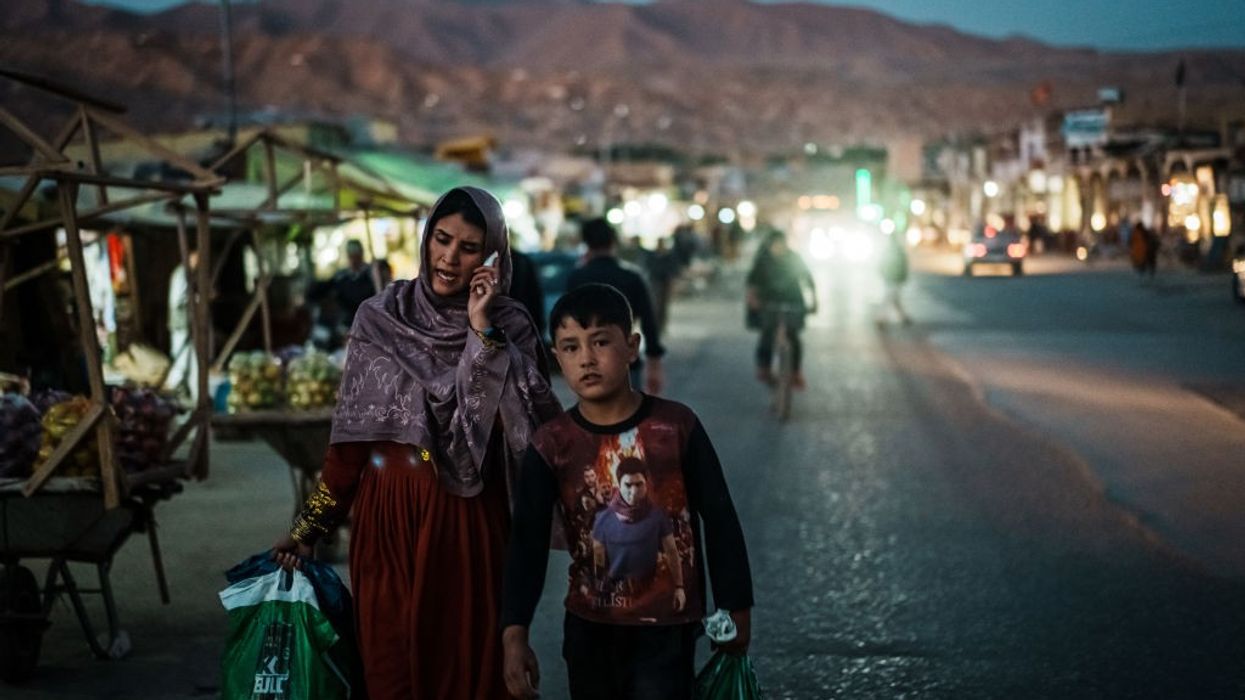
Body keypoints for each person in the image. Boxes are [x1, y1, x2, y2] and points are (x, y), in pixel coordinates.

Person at [272, 186, 563, 699]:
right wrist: (309, 526)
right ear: (426, 238)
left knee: (467, 672)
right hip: (387, 523)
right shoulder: (380, 317)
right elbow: (350, 446)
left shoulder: (510, 325)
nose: (449, 258)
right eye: (442, 239)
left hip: (468, 525)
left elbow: (520, 433)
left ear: (492, 256)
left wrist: (481, 329)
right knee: (392, 672)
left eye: (469, 248)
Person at [500, 283, 753, 700]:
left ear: (631, 347)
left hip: (668, 627)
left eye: (601, 342)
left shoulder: (675, 427)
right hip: (589, 627)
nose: (586, 358)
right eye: (571, 347)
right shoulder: (551, 444)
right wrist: (514, 632)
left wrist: (736, 604)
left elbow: (720, 516)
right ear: (557, 357)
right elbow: (526, 542)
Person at [567, 218, 666, 395]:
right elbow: (649, 322)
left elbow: (568, 325)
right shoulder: (631, 278)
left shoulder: (577, 278)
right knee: (629, 409)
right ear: (613, 241)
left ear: (586, 243)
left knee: (593, 410)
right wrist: (654, 365)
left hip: (588, 362)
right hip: (625, 359)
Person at [746, 229, 816, 389]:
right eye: (775, 245)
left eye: (781, 244)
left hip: (793, 300)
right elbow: (752, 283)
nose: (779, 248)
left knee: (793, 336)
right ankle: (764, 367)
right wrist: (753, 300)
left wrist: (814, 301)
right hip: (768, 302)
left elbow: (807, 279)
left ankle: (796, 372)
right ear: (770, 245)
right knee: (767, 334)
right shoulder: (763, 261)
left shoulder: (794, 258)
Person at [308, 240, 390, 348]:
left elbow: (382, 292)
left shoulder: (372, 274)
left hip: (370, 325)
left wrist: (379, 276)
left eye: (356, 255)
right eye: (351, 256)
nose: (354, 259)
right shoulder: (341, 277)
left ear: (361, 255)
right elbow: (317, 292)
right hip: (347, 326)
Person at [164, 250, 198, 402]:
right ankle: (169, 389)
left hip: (184, 322)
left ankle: (195, 394)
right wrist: (198, 298)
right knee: (181, 359)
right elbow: (178, 299)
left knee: (191, 359)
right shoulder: (182, 273)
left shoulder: (184, 273)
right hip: (180, 321)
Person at [878, 232, 911, 325]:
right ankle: (881, 319)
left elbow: (882, 264)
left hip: (891, 278)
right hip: (894, 278)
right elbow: (903, 265)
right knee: (891, 298)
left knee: (893, 298)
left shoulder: (888, 250)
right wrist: (903, 276)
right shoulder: (898, 250)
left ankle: (902, 318)